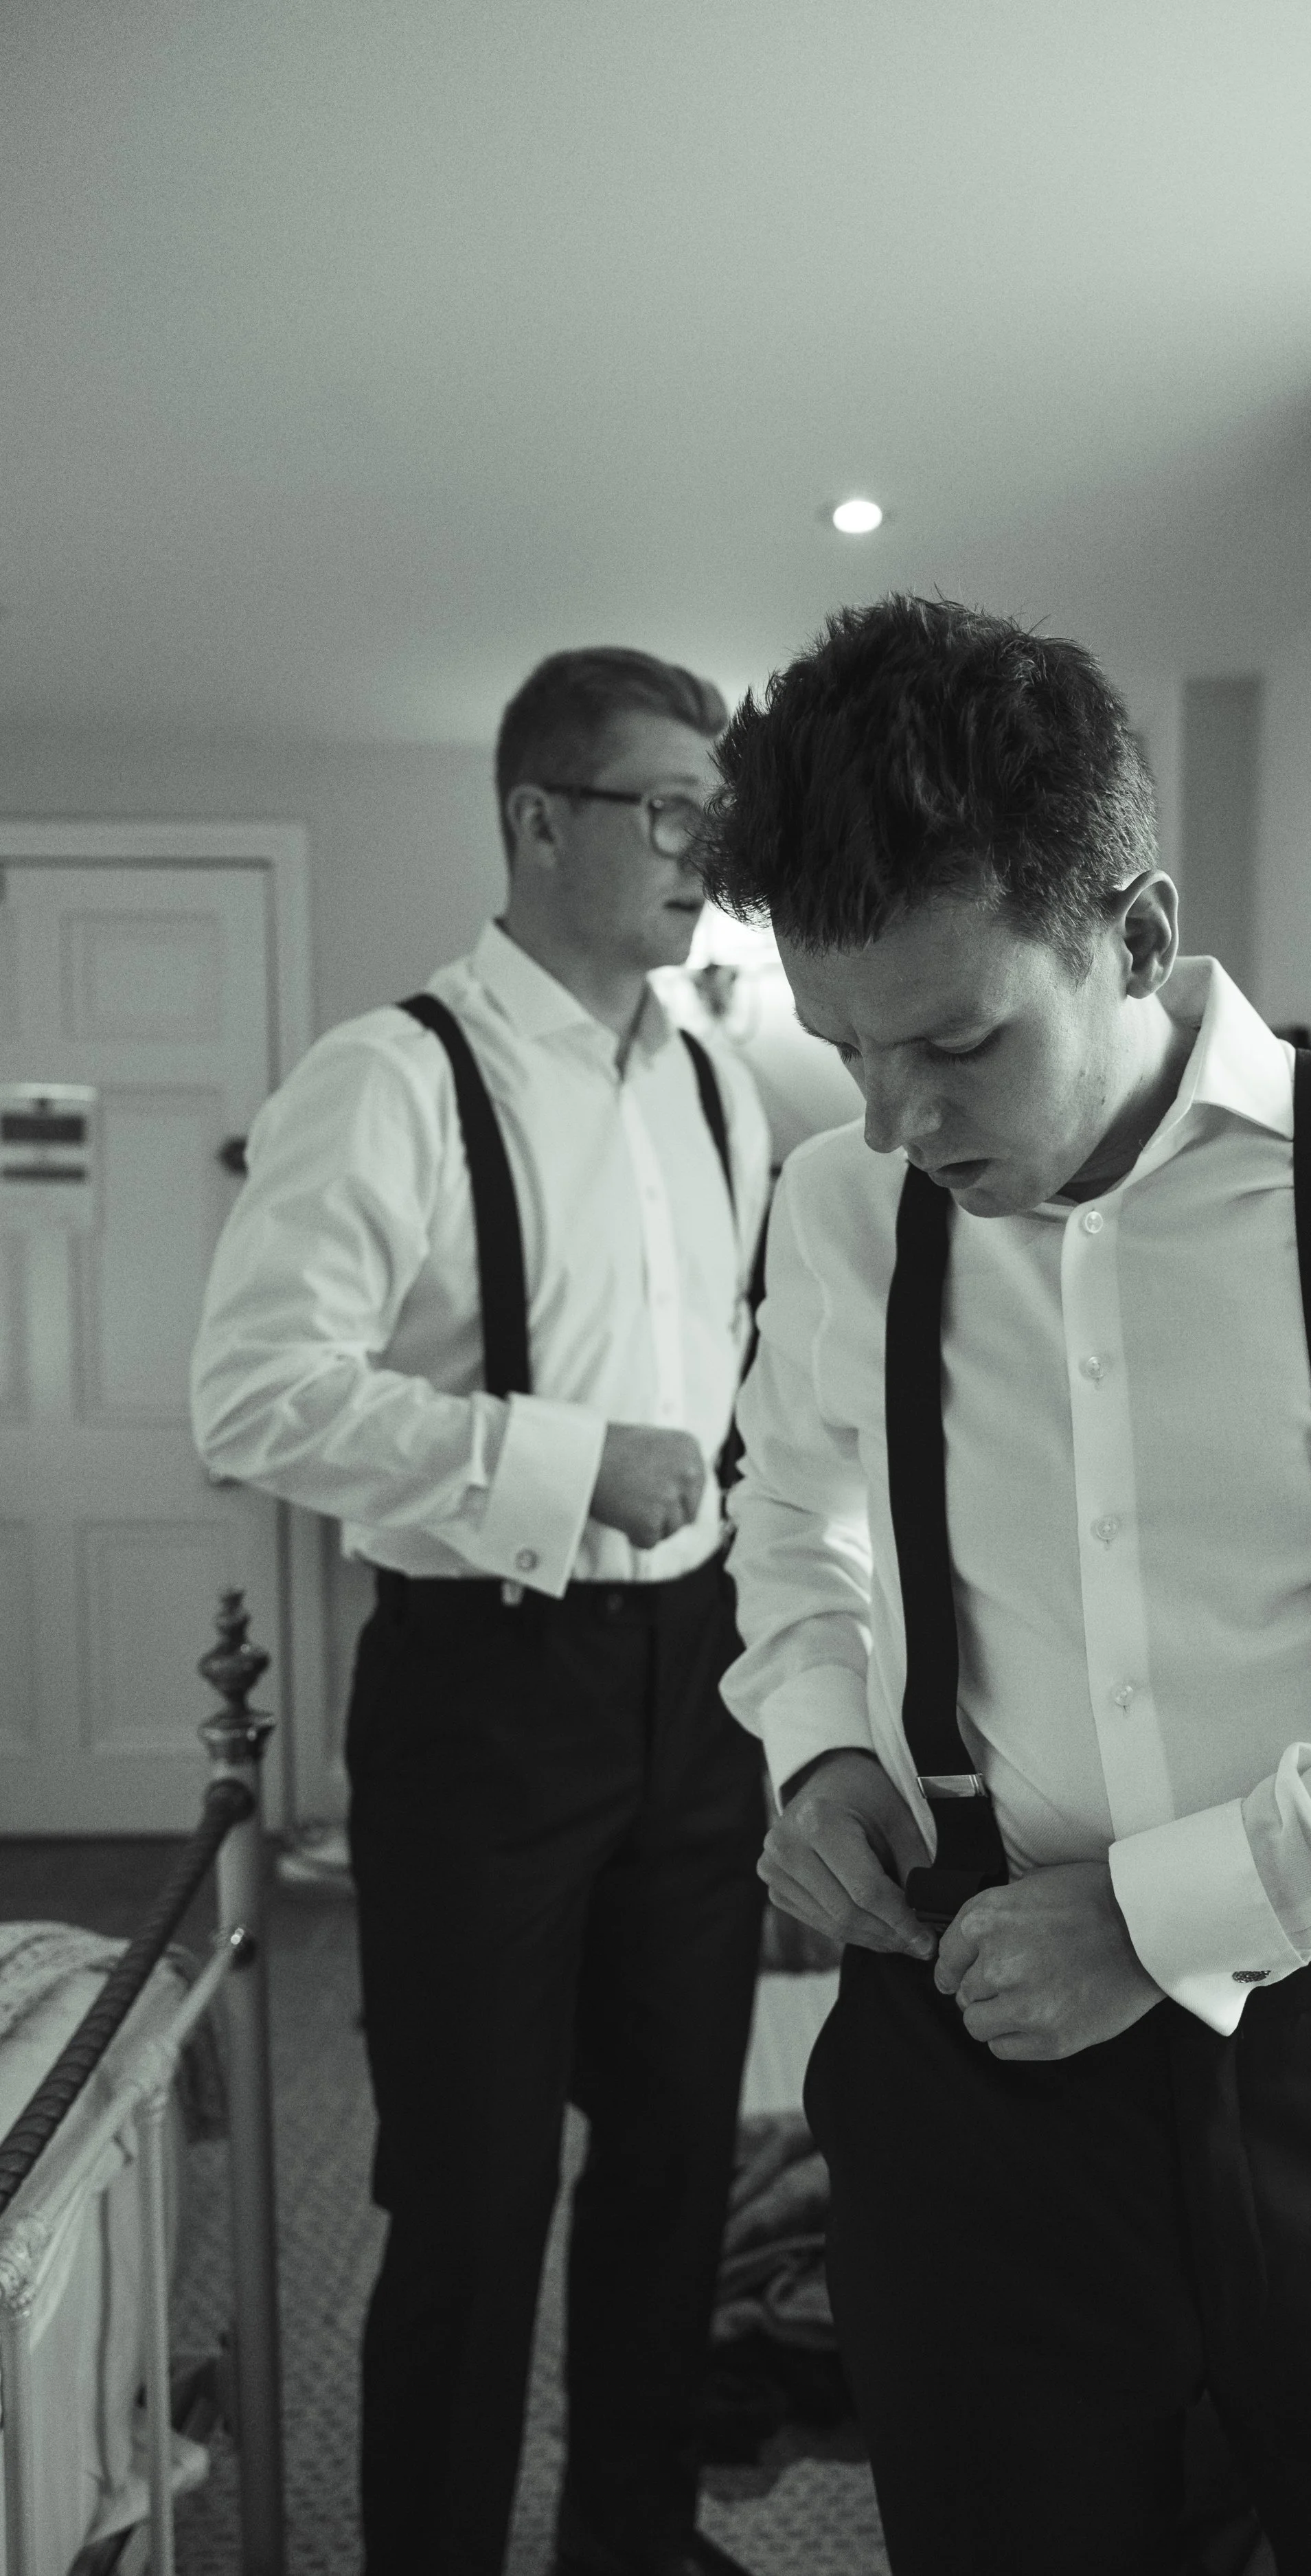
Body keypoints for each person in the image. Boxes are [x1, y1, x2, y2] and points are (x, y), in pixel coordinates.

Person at [696, 594, 1311, 2576]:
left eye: (956, 1039)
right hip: (959, 2070)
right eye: (843, 1048)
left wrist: (1166, 1915)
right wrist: (816, 1749)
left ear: (1137, 935)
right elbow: (790, 1510)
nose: (897, 1117)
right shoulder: (839, 1206)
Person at [192, 648, 771, 2576]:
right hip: (481, 1693)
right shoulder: (390, 1073)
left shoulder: (717, 1084)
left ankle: (631, 2534)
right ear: (538, 818)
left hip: (692, 1686)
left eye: (716, 809)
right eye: (669, 805)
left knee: (682, 2160)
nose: (708, 844)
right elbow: (255, 1390)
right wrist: (559, 1459)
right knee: (470, 2188)